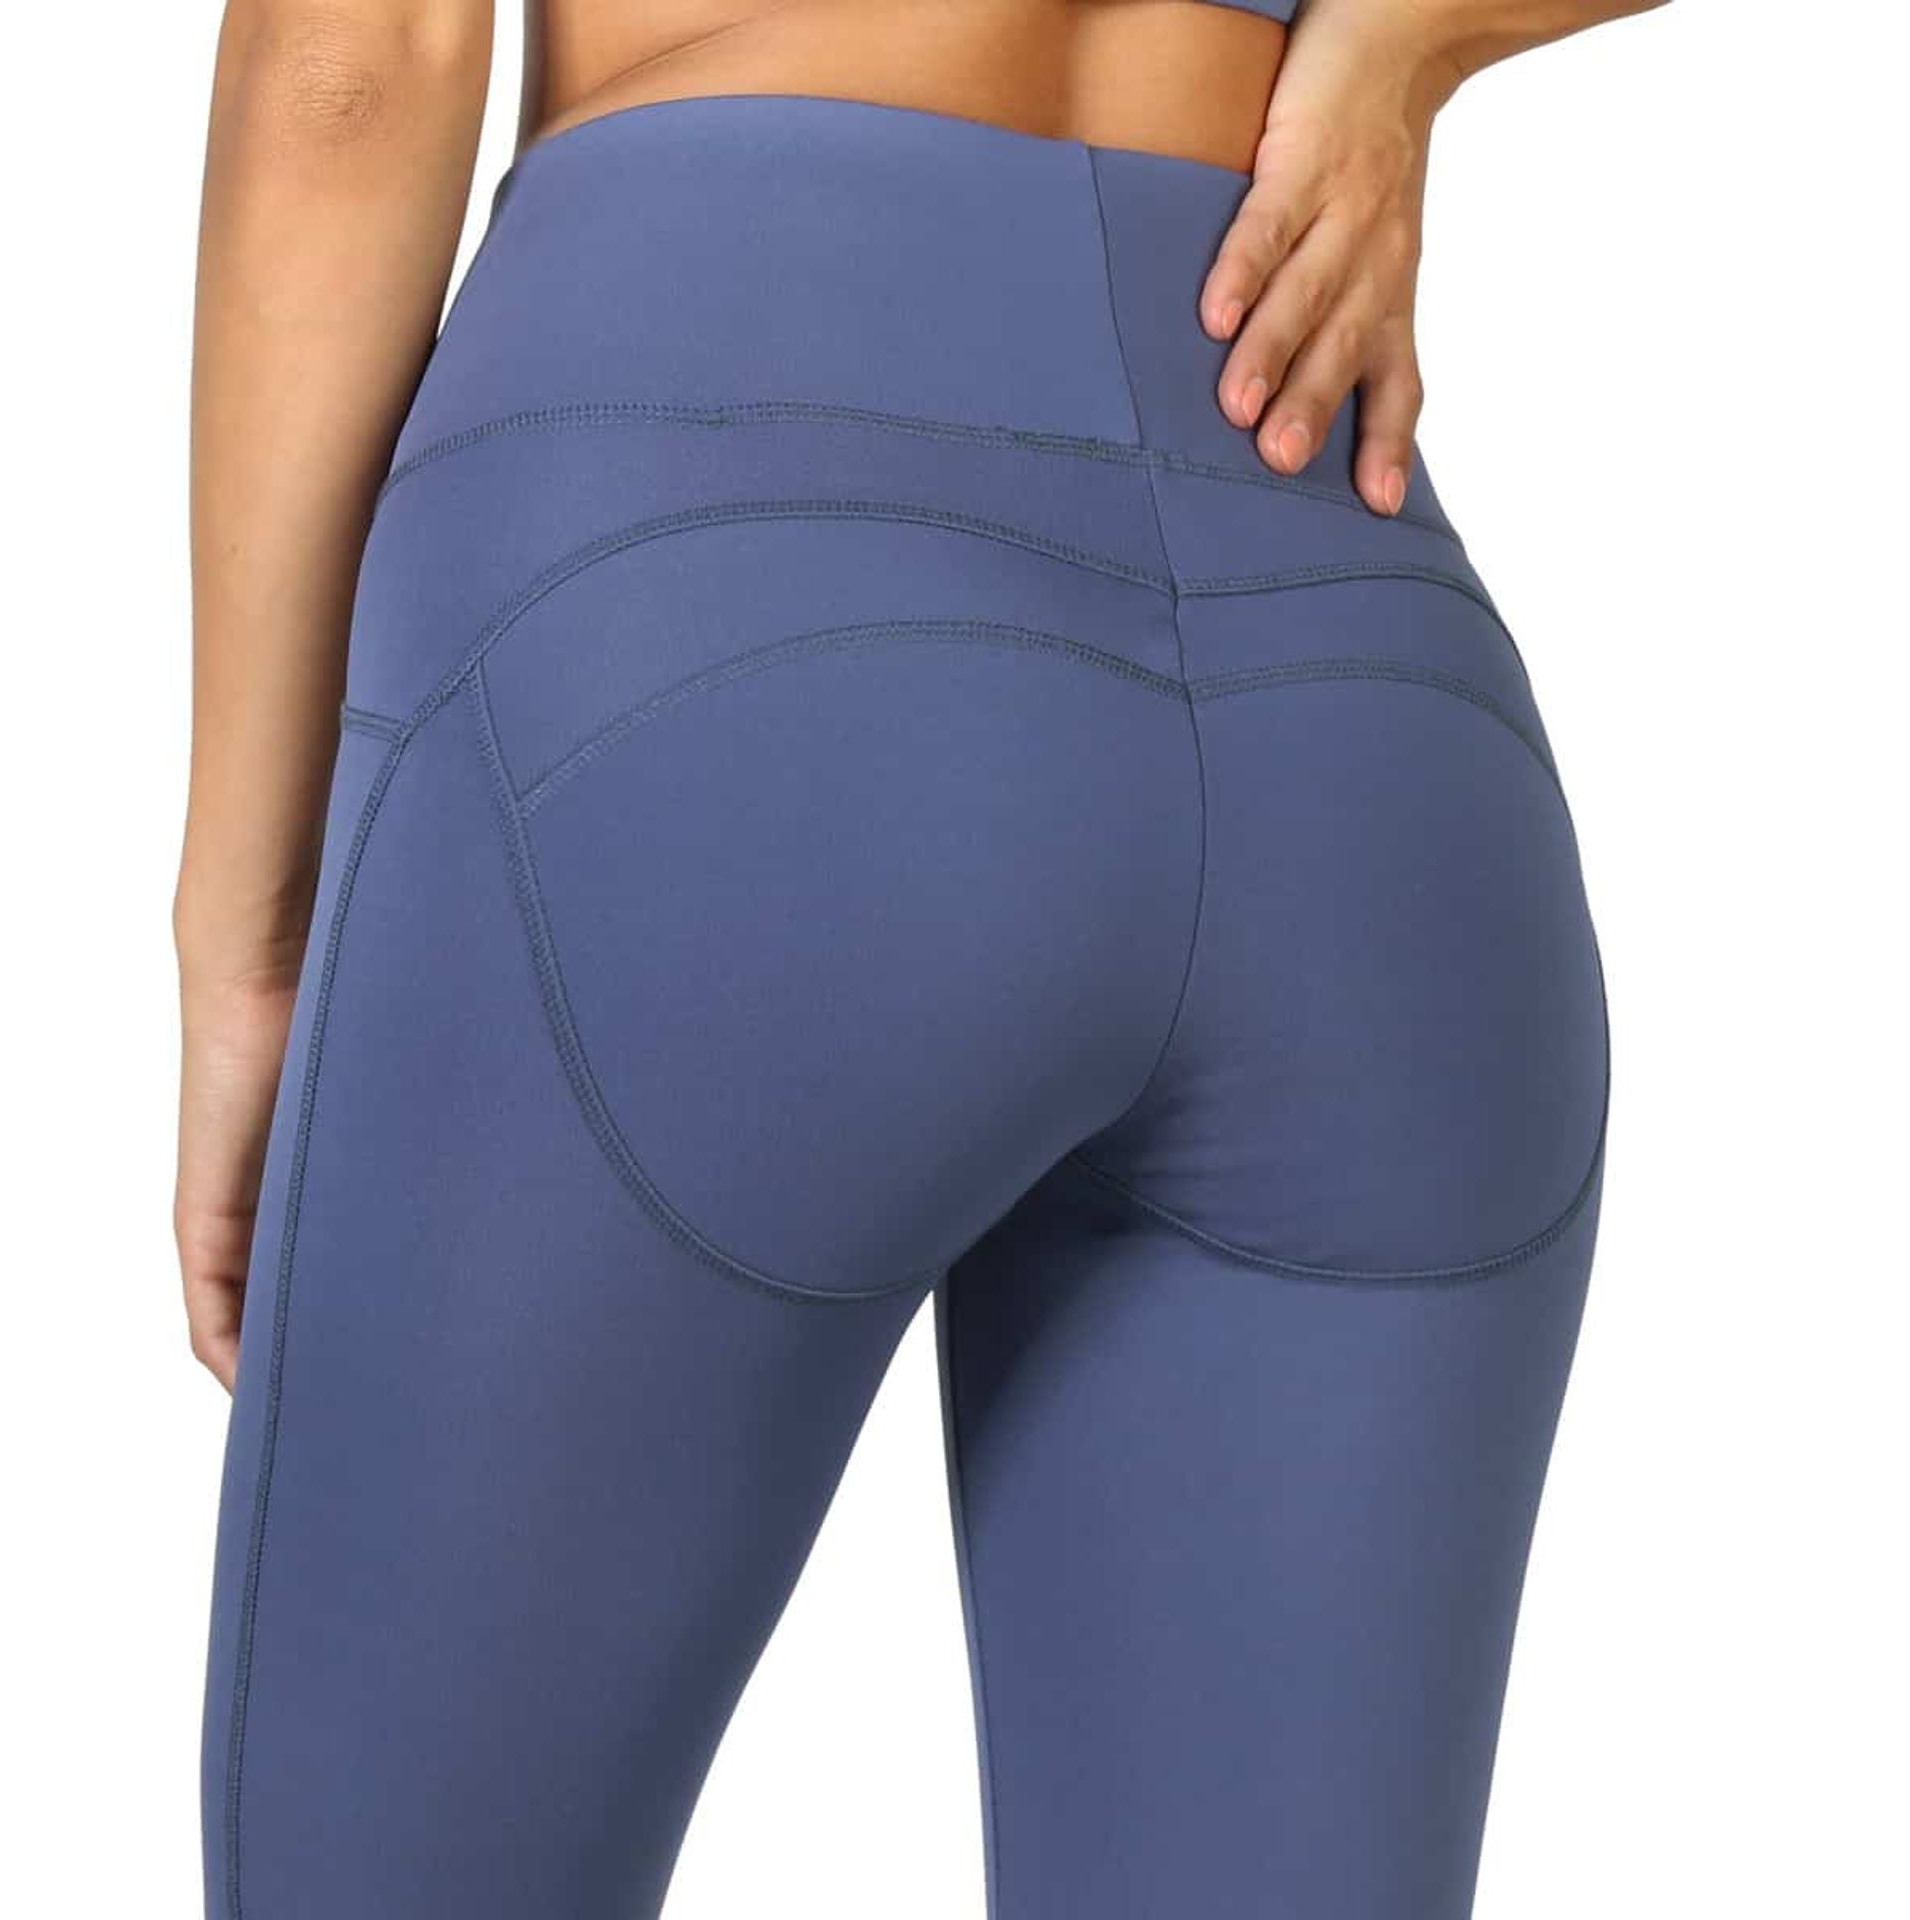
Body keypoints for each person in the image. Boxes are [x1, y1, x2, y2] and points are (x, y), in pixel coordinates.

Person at [178, 0, 1657, 1913]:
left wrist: (251, 929)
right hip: (1361, 717)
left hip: (702, 615)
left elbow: (353, 62)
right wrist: (1399, 44)